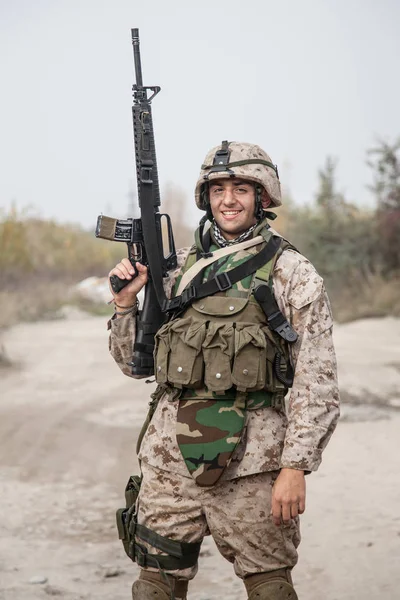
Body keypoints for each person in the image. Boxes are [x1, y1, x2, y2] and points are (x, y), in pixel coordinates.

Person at [108, 141, 340, 600]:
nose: (228, 200)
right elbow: (134, 366)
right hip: (169, 462)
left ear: (263, 197)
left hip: (254, 464)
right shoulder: (175, 272)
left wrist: (296, 467)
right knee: (154, 587)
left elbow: (318, 384)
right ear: (206, 197)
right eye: (217, 189)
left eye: (240, 189)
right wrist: (125, 302)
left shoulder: (293, 274)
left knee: (269, 587)